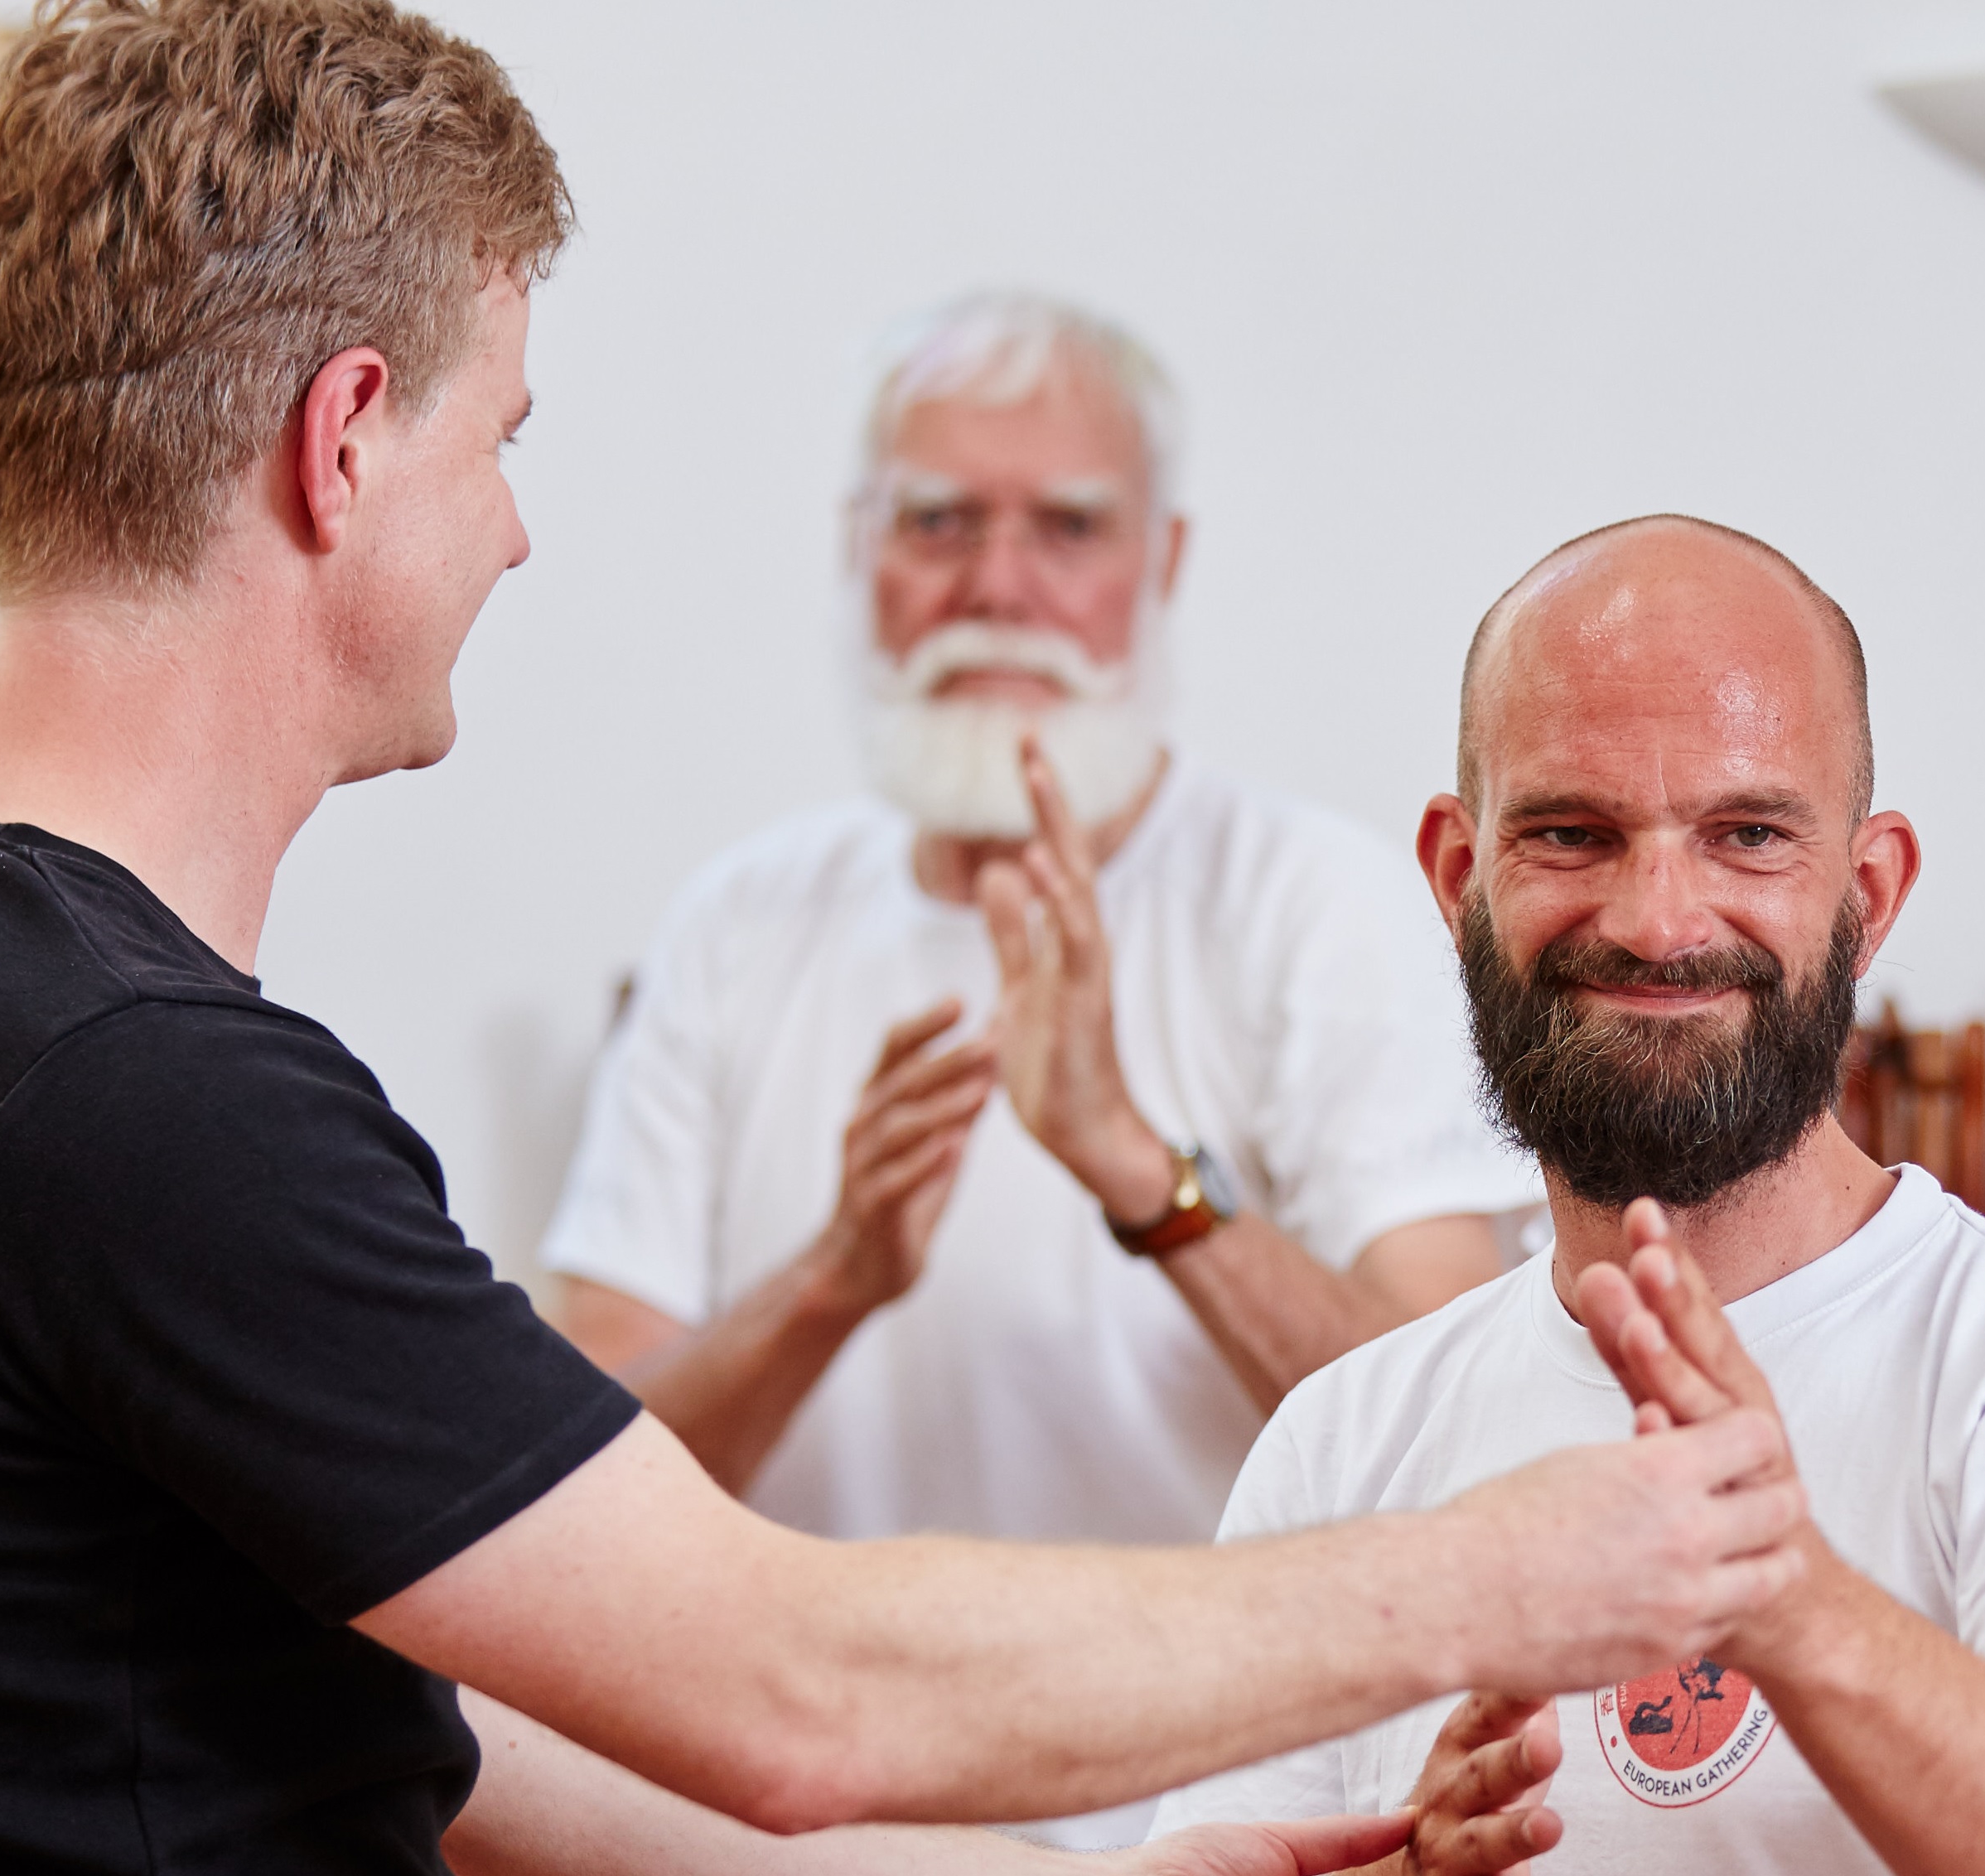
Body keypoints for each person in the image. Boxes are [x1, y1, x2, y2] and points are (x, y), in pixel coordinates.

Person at [0, 7, 1816, 1871]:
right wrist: (1499, 1568)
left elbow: (461, 1750)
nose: (514, 524)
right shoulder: (124, 1091)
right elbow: (792, 1688)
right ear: (338, 449)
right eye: (496, 435)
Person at [543, 302, 1538, 1838]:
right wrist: (834, 1278)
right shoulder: (741, 922)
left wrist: (1140, 1169)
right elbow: (577, 1490)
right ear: (856, 550)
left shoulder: (1315, 902)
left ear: (1163, 564)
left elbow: (1458, 1439)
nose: (995, 585)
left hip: (1210, 1829)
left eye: (1066, 527)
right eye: (938, 520)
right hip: (793, 1826)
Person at [1150, 515, 1985, 1874]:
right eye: (1571, 831)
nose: (1658, 921)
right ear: (1456, 878)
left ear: (1867, 890)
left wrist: (1786, 1596)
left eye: (1744, 834)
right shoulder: (1342, 1443)